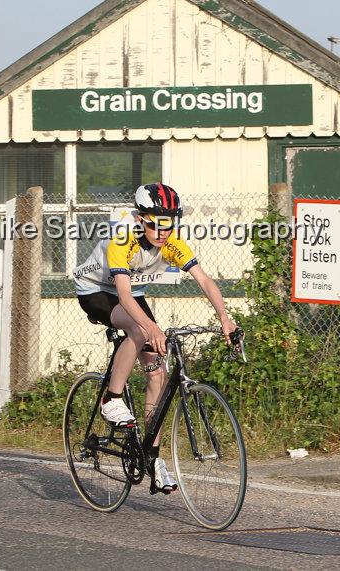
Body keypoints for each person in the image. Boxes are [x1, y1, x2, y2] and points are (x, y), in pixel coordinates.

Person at [73, 182, 239, 494]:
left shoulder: (171, 242)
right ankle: (112, 399)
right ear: (139, 219)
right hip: (96, 290)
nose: (163, 232)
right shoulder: (121, 237)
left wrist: (224, 317)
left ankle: (153, 458)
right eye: (155, 225)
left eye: (169, 225)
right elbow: (121, 294)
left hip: (132, 293)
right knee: (139, 329)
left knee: (157, 375)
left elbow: (203, 279)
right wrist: (151, 328)